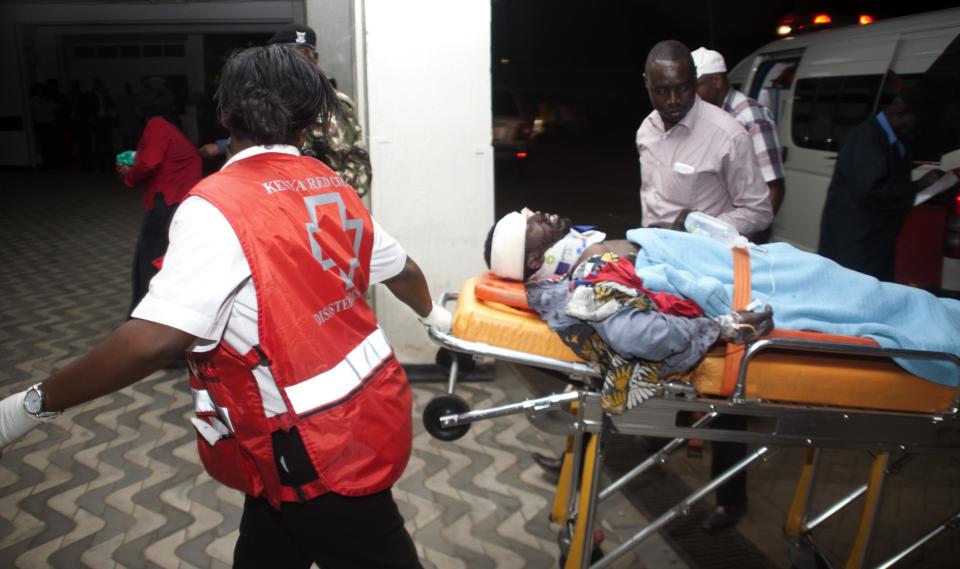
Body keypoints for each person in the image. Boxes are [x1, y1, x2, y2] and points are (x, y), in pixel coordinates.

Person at [0, 45, 451, 569]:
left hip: (314, 450)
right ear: (309, 124)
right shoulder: (335, 188)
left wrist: (26, 408)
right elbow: (405, 271)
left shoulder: (217, 205)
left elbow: (154, 340)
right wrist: (434, 318)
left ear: (222, 114)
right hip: (336, 423)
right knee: (265, 546)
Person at [198, 24, 373, 198]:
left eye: (305, 56)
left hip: (321, 206)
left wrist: (319, 188)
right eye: (290, 57)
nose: (296, 66)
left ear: (316, 60)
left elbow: (359, 169)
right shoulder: (261, 101)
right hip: (266, 202)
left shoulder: (334, 105)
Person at [636, 40, 773, 237]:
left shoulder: (728, 135)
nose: (673, 100)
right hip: (653, 250)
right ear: (646, 82)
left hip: (702, 257)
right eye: (662, 91)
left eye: (682, 88)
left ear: (694, 78)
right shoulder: (646, 130)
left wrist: (701, 227)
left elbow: (759, 211)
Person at [818, 88, 950, 281]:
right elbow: (871, 191)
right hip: (855, 243)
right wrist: (918, 185)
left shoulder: (896, 141)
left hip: (877, 240)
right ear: (901, 112)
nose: (918, 127)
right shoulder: (865, 138)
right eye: (917, 121)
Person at [117, 77, 202, 315]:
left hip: (168, 202)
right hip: (175, 201)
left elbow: (149, 163)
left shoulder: (156, 125)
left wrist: (129, 175)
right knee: (163, 258)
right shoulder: (168, 126)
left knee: (149, 260)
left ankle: (145, 315)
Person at [692, 47, 786, 243]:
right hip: (714, 230)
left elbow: (774, 186)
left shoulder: (750, 116)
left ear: (716, 81)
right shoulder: (705, 115)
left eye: (697, 85)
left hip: (743, 235)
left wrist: (748, 238)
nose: (693, 94)